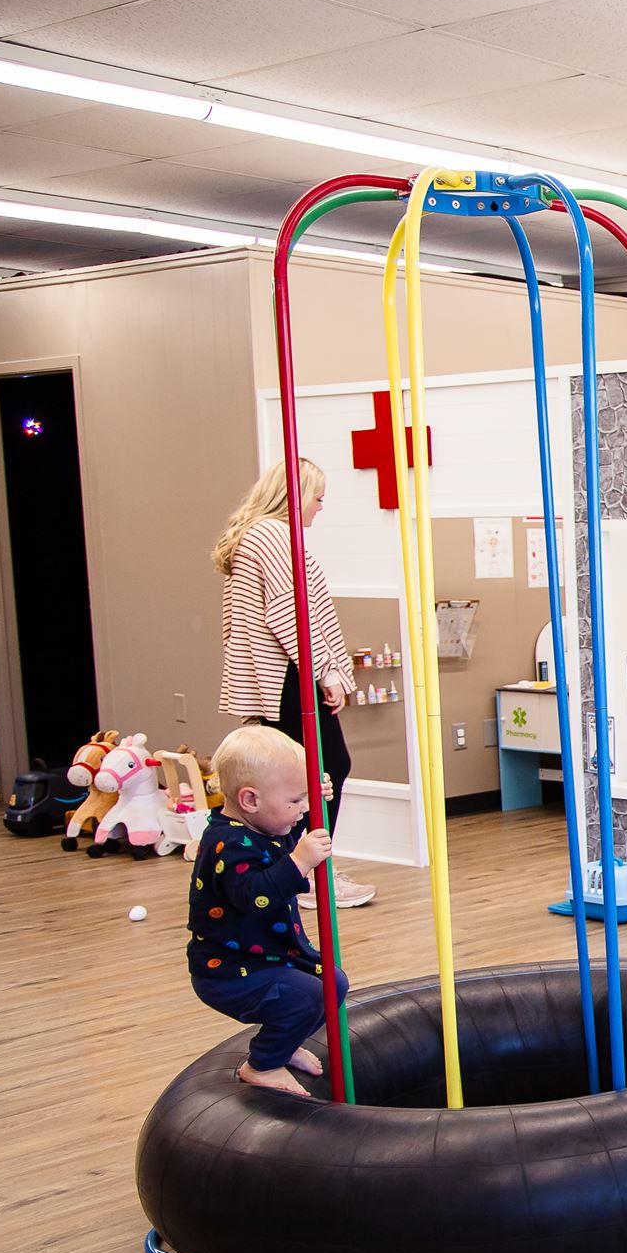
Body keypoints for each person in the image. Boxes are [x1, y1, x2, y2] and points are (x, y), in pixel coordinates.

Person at [215, 456, 373, 908]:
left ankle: (301, 868)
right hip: (287, 677)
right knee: (325, 770)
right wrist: (325, 670)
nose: (321, 507)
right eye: (318, 497)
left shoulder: (260, 534)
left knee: (310, 772)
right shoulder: (274, 535)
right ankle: (309, 872)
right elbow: (289, 612)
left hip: (280, 675)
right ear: (296, 495)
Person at [188, 725, 348, 1097]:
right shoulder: (226, 843)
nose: (302, 810)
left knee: (333, 985)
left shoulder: (262, 824)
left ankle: (283, 1044)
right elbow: (255, 896)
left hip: (269, 955)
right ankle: (262, 1064)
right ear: (250, 800)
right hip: (229, 970)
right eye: (295, 801)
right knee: (305, 996)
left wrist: (313, 801)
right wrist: (299, 862)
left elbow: (285, 835)